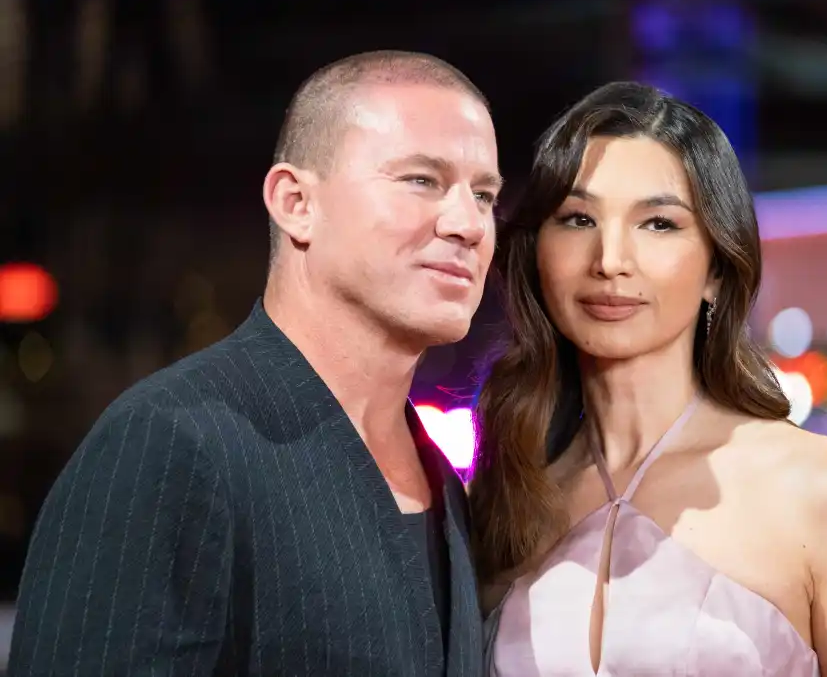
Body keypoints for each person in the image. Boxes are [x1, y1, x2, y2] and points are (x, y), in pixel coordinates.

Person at [10, 50, 501, 677]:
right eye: (421, 180)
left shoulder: (442, 478)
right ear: (296, 202)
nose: (467, 223)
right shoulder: (171, 443)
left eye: (484, 194)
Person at [469, 81, 827, 676]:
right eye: (577, 218)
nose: (610, 260)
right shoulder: (507, 499)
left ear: (716, 269)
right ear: (536, 253)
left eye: (657, 224)